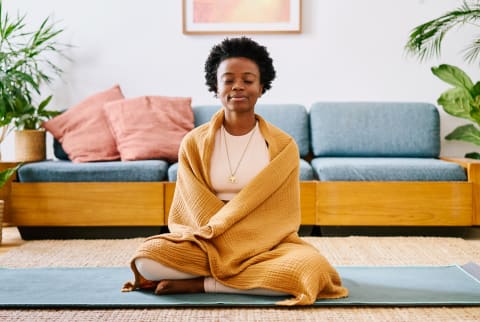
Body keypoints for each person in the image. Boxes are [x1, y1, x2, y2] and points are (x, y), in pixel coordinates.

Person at [122, 37, 348, 306]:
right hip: (208, 241)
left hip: (265, 245)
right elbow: (189, 209)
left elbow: (282, 213)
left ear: (262, 87)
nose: (238, 86)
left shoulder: (283, 146)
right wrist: (221, 239)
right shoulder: (193, 143)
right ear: (216, 87)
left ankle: (204, 284)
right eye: (228, 80)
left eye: (248, 80)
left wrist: (242, 244)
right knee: (147, 259)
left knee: (310, 269)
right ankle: (242, 279)